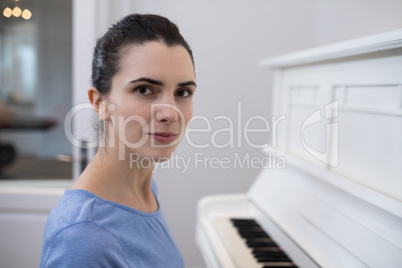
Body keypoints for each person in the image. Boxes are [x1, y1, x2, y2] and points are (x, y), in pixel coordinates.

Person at [40, 14, 196, 268]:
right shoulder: (83, 238)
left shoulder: (144, 188)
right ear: (100, 103)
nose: (170, 113)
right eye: (144, 89)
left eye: (183, 92)